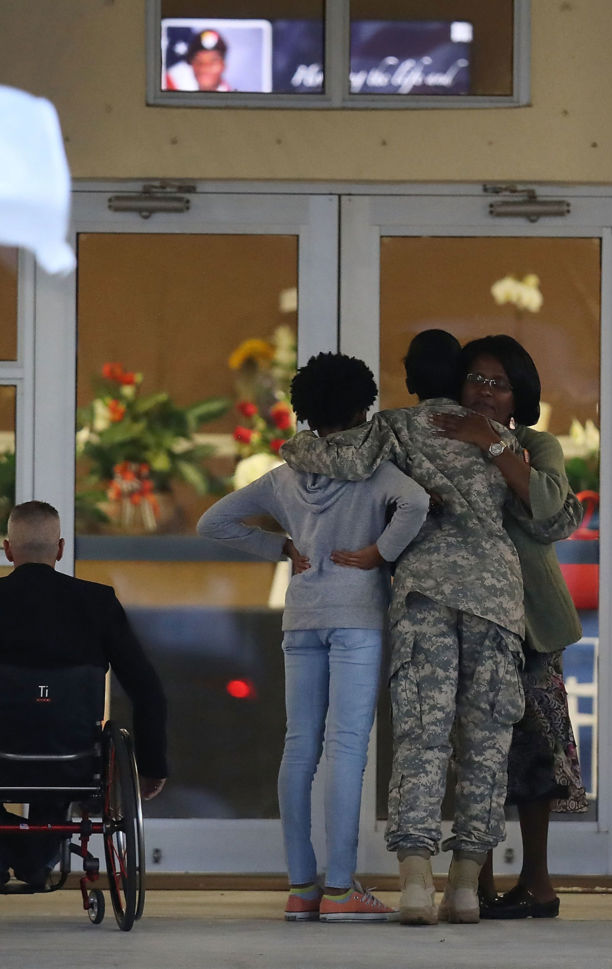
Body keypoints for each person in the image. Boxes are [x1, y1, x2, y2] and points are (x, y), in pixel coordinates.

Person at [279, 330, 527, 926]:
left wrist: (290, 448)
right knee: (486, 744)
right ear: (463, 375)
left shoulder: (391, 427)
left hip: (423, 595)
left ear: (410, 379)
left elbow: (345, 458)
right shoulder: (499, 436)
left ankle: (417, 884)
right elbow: (553, 516)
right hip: (498, 600)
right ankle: (466, 887)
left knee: (423, 736)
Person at [196, 352, 429, 923]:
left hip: (301, 618)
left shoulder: (284, 475)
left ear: (303, 410)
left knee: (299, 747)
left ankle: (302, 887)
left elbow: (213, 523)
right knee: (347, 747)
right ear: (361, 405)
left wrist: (280, 548)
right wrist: (379, 553)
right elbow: (417, 502)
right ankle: (343, 888)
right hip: (357, 618)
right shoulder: (375, 471)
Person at [0, 500, 168, 889]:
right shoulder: (98, 603)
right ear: (60, 549)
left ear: (8, 549)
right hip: (74, 756)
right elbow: (147, 688)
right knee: (59, 731)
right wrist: (152, 764)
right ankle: (36, 858)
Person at [431, 335, 587, 920]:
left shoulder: (535, 444)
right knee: (474, 754)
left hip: (531, 626)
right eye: (476, 379)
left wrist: (494, 445)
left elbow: (551, 513)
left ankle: (539, 884)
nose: (485, 391)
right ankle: (478, 883)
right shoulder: (437, 440)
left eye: (499, 383)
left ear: (520, 394)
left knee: (535, 758)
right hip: (463, 618)